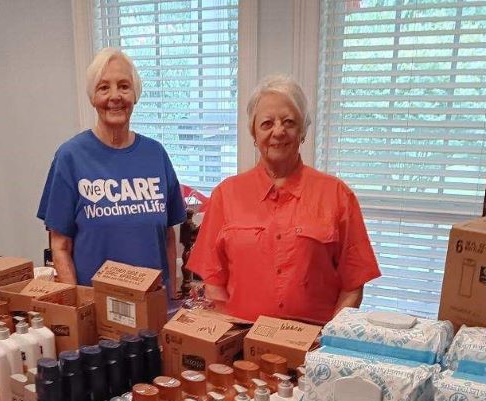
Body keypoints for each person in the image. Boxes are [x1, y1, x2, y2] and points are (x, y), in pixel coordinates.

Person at [186, 74, 380, 324]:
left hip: (311, 352)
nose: (278, 131)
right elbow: (213, 282)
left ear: (303, 131)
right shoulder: (226, 195)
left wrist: (326, 341)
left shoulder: (338, 196)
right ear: (253, 133)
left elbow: (353, 285)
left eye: (289, 122)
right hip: (243, 350)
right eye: (267, 123)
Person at [37, 48, 186, 295]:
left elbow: (168, 236)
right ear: (92, 97)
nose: (115, 96)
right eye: (104, 87)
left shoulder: (156, 154)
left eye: (124, 86)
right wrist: (77, 308)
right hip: (97, 314)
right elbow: (60, 245)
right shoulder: (70, 157)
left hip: (153, 310)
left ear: (136, 94)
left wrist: (170, 296)